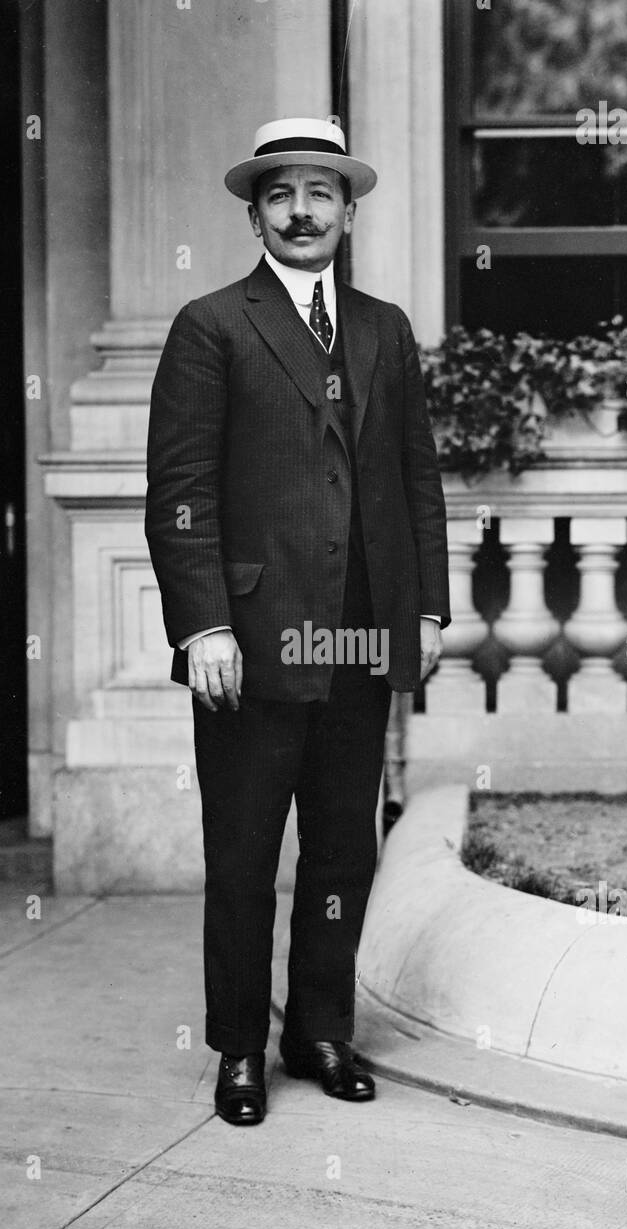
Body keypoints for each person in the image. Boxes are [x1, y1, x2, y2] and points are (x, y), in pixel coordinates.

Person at [145, 117, 450, 1125]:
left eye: (320, 192)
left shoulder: (383, 329)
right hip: (252, 638)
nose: (302, 210)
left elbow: (415, 479)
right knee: (241, 855)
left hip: (358, 637)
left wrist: (428, 608)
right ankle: (238, 1046)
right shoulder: (212, 326)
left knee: (340, 849)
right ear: (255, 212)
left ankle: (318, 1028)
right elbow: (180, 489)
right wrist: (204, 628)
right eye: (281, 193)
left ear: (348, 210)